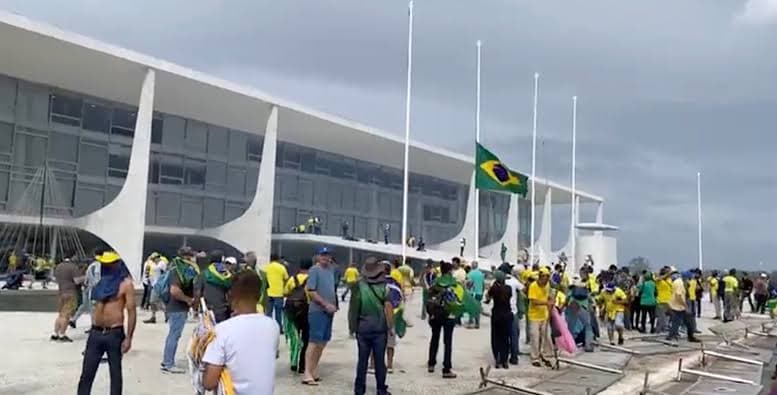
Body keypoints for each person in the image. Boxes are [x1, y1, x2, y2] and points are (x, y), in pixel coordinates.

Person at [202, 270, 280, 395]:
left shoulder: (222, 329)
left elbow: (209, 383)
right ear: (259, 295)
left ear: (230, 296)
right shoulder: (273, 326)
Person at [76, 251, 136, 395]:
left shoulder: (126, 285)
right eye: (104, 264)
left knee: (115, 374)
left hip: (114, 333)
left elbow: (131, 311)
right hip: (95, 332)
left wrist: (129, 338)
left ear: (116, 265)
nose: (105, 267)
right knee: (87, 373)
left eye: (108, 264)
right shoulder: (99, 282)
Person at [350, 257, 393, 395]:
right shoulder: (384, 286)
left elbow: (354, 309)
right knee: (379, 361)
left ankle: (359, 389)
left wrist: (352, 327)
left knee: (362, 360)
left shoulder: (358, 286)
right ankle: (381, 389)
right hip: (380, 328)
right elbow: (388, 308)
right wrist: (390, 326)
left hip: (363, 328)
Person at [302, 247, 339, 386]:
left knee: (323, 342)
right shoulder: (314, 270)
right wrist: (325, 304)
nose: (325, 257)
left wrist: (333, 305)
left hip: (329, 311)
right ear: (317, 256)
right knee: (314, 341)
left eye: (327, 255)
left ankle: (314, 368)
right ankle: (307, 372)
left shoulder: (331, 270)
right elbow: (311, 291)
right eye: (322, 255)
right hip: (317, 310)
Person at [161, 247, 200, 374]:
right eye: (192, 256)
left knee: (173, 334)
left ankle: (167, 361)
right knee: (174, 335)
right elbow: (174, 290)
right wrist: (188, 300)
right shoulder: (178, 269)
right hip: (177, 307)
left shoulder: (177, 268)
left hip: (175, 307)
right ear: (187, 256)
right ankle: (168, 363)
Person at [426, 260, 458, 378]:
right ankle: (446, 368)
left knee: (435, 338)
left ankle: (431, 363)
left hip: (435, 314)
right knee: (447, 342)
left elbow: (428, 295)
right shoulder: (453, 283)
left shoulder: (435, 282)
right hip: (448, 315)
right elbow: (455, 299)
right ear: (449, 271)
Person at [285, 258, 312, 374]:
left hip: (292, 312)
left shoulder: (292, 279)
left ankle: (293, 362)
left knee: (294, 338)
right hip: (306, 312)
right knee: (306, 339)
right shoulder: (311, 279)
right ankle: (302, 365)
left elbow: (285, 292)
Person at [484, 270, 513, 369]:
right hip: (507, 314)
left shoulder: (494, 288)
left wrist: (489, 290)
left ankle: (497, 359)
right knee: (505, 338)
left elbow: (487, 299)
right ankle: (505, 360)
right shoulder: (509, 289)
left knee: (496, 337)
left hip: (497, 314)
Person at [194, 250, 233, 323]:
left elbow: (198, 293)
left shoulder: (204, 274)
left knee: (210, 330)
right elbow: (231, 293)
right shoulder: (227, 274)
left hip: (208, 310)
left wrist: (195, 309)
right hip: (224, 310)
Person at [528, 267, 553, 367]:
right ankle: (535, 358)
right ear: (540, 277)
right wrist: (546, 303)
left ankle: (546, 356)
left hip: (544, 315)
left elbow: (548, 295)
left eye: (547, 278)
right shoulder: (533, 286)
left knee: (547, 336)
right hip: (534, 316)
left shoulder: (547, 285)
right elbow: (533, 301)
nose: (545, 281)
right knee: (535, 337)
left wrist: (551, 300)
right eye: (544, 278)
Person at [52, 258, 81, 342]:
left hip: (61, 292)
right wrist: (84, 278)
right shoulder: (73, 267)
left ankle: (55, 333)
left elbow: (55, 279)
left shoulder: (58, 266)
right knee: (66, 315)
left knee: (61, 314)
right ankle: (62, 334)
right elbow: (77, 281)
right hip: (70, 292)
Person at [667, 271, 700, 342]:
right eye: (689, 279)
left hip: (678, 306)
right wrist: (685, 305)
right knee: (678, 322)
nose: (689, 281)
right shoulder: (680, 283)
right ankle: (671, 337)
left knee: (684, 322)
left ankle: (672, 337)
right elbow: (678, 296)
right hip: (678, 306)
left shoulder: (679, 282)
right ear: (686, 278)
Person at [71, 256, 102, 328]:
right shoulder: (96, 266)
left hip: (88, 289)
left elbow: (89, 279)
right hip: (92, 289)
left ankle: (74, 319)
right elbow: (96, 279)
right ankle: (93, 325)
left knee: (86, 306)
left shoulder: (91, 266)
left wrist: (86, 284)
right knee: (91, 308)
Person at [263, 254, 289, 332]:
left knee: (268, 312)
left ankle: (268, 328)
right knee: (278, 313)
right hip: (279, 293)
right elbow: (286, 278)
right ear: (278, 259)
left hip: (268, 293)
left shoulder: (266, 267)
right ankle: (279, 329)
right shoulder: (281, 267)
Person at [505, 268, 524, 363]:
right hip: (513, 312)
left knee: (503, 335)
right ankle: (514, 356)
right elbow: (524, 290)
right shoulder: (515, 281)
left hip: (502, 311)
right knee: (514, 335)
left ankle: (502, 357)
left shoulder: (498, 281)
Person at [143, 254, 167, 324]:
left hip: (159, 285)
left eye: (154, 259)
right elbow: (148, 272)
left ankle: (166, 314)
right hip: (153, 285)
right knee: (155, 301)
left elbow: (164, 272)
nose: (153, 260)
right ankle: (154, 316)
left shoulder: (162, 264)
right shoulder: (153, 264)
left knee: (155, 301)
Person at [466, 261, 485, 329]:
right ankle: (477, 323)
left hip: (472, 293)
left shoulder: (470, 273)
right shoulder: (481, 274)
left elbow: (469, 283)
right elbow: (483, 284)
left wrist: (467, 288)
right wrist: (482, 292)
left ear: (472, 266)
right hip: (479, 293)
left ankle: (470, 322)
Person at [655, 268, 672, 332]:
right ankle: (658, 330)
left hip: (669, 301)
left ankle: (665, 328)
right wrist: (666, 275)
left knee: (668, 316)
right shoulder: (659, 280)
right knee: (661, 317)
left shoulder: (669, 280)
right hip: (661, 301)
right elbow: (657, 279)